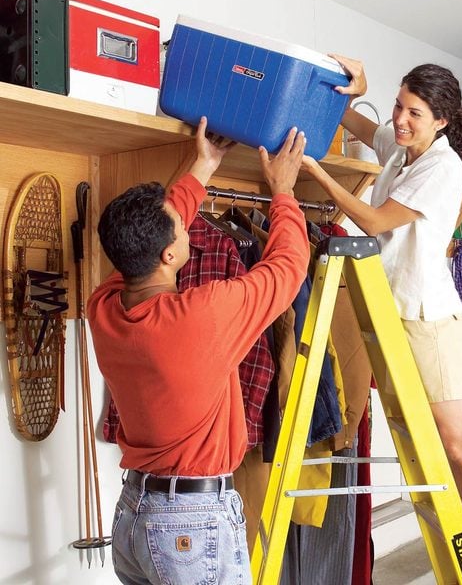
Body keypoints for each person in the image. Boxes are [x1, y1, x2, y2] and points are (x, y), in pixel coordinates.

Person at [301, 56, 462, 585]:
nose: (400, 120)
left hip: (428, 321)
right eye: (399, 106)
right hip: (393, 315)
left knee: (461, 445)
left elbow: (375, 220)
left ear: (441, 119)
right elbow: (352, 124)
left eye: (413, 113)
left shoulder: (440, 166)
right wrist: (352, 94)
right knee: (442, 449)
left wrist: (317, 174)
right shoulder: (402, 151)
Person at [87, 117, 310, 585]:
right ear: (169, 256)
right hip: (190, 522)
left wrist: (203, 166)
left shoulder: (105, 306)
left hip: (135, 517)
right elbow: (288, 266)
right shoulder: (202, 316)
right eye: (182, 230)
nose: (190, 230)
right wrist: (283, 194)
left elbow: (159, 230)